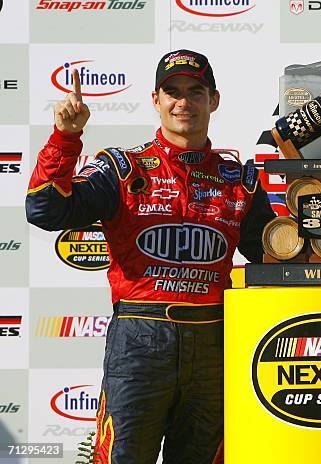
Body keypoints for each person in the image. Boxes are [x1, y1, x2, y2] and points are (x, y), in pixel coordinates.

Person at [26, 50, 276, 464]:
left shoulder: (240, 181)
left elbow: (277, 258)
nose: (184, 102)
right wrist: (65, 138)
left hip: (213, 341)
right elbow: (45, 210)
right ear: (155, 100)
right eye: (172, 92)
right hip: (139, 340)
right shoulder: (121, 168)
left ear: (213, 100)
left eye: (195, 91)